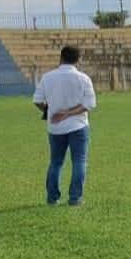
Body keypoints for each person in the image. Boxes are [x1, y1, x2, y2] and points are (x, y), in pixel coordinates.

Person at [33, 46, 97, 206]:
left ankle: (52, 198)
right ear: (78, 60)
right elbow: (89, 104)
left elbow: (37, 100)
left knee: (56, 162)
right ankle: (75, 198)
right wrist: (68, 113)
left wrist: (48, 111)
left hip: (55, 127)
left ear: (60, 57)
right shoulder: (83, 78)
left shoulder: (48, 77)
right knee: (79, 161)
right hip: (79, 125)